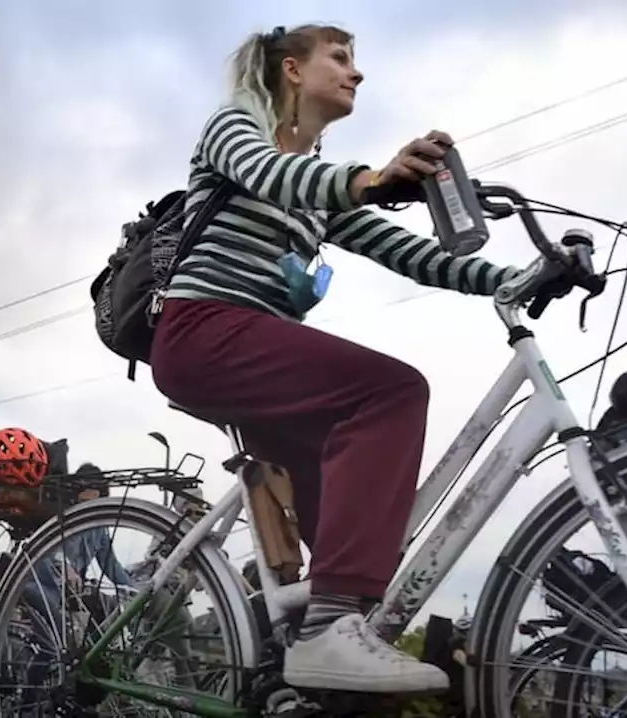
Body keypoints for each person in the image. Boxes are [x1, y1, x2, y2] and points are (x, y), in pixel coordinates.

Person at [148, 24, 524, 694]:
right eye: (341, 59)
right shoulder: (238, 127)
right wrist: (370, 177)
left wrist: (514, 278)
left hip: (251, 354)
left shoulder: (319, 189)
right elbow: (273, 172)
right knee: (389, 392)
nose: (357, 74)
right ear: (292, 69)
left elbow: (406, 252)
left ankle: (313, 657)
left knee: (350, 514)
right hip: (203, 331)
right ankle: (326, 629)